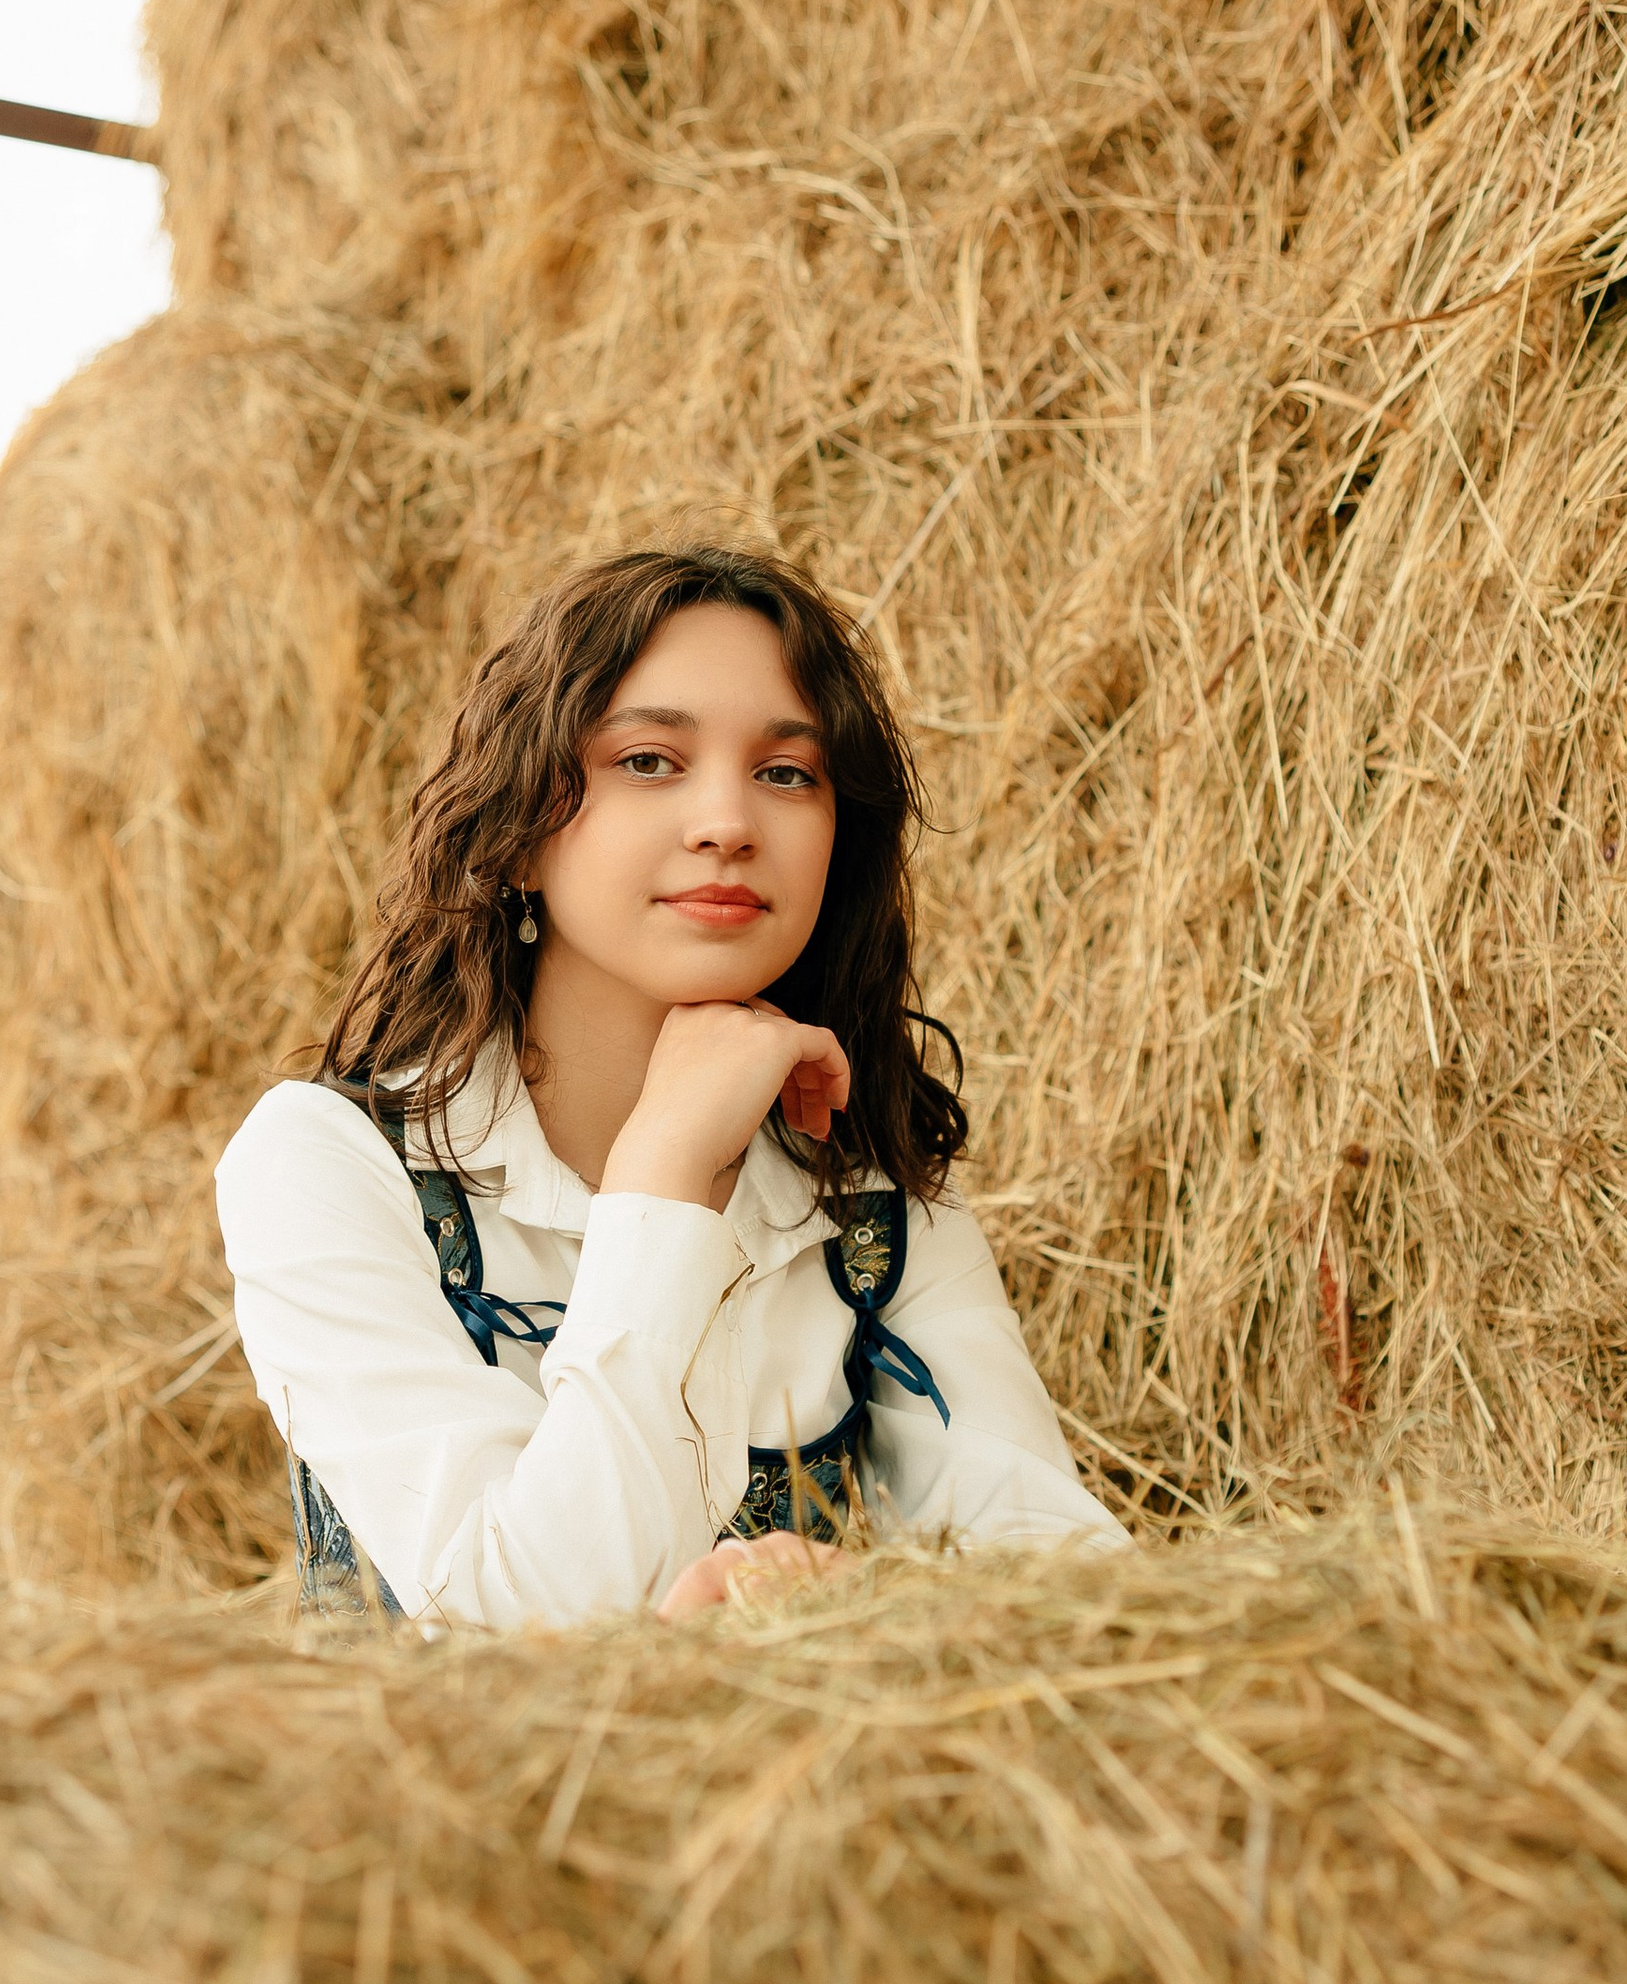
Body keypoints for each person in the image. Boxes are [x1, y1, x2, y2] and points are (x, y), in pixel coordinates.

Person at [217, 545, 1130, 1625]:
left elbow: (1072, 1592)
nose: (728, 823)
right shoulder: (328, 1164)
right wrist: (663, 1173)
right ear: (518, 832)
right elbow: (523, 1623)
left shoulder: (866, 1199)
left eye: (787, 773)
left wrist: (859, 1612)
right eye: (649, 760)